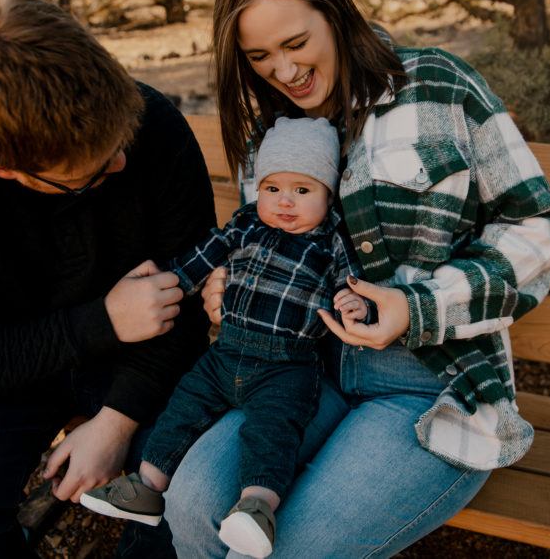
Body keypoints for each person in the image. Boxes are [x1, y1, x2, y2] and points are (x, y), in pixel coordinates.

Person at [160, 0, 550, 558]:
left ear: (333, 8)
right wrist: (231, 281)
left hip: (428, 384)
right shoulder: (270, 136)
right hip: (296, 376)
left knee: (294, 550)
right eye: (259, 57)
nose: (286, 70)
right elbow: (271, 246)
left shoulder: (437, 87)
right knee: (190, 507)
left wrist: (419, 306)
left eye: (296, 42)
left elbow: (537, 225)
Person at [0, 0, 215, 558]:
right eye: (94, 172)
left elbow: (185, 302)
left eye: (119, 143)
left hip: (144, 360)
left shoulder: (152, 125)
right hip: (0, 369)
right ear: (2, 170)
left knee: (196, 497)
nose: (121, 163)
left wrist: (115, 422)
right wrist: (101, 321)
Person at [80, 116, 371, 559]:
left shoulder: (330, 240)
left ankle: (257, 507)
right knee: (181, 410)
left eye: (302, 190)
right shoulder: (247, 223)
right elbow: (205, 256)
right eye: (273, 189)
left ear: (328, 194)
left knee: (273, 431)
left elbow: (351, 286)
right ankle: (147, 488)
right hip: (225, 353)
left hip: (286, 365)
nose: (285, 202)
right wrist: (173, 279)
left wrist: (355, 305)